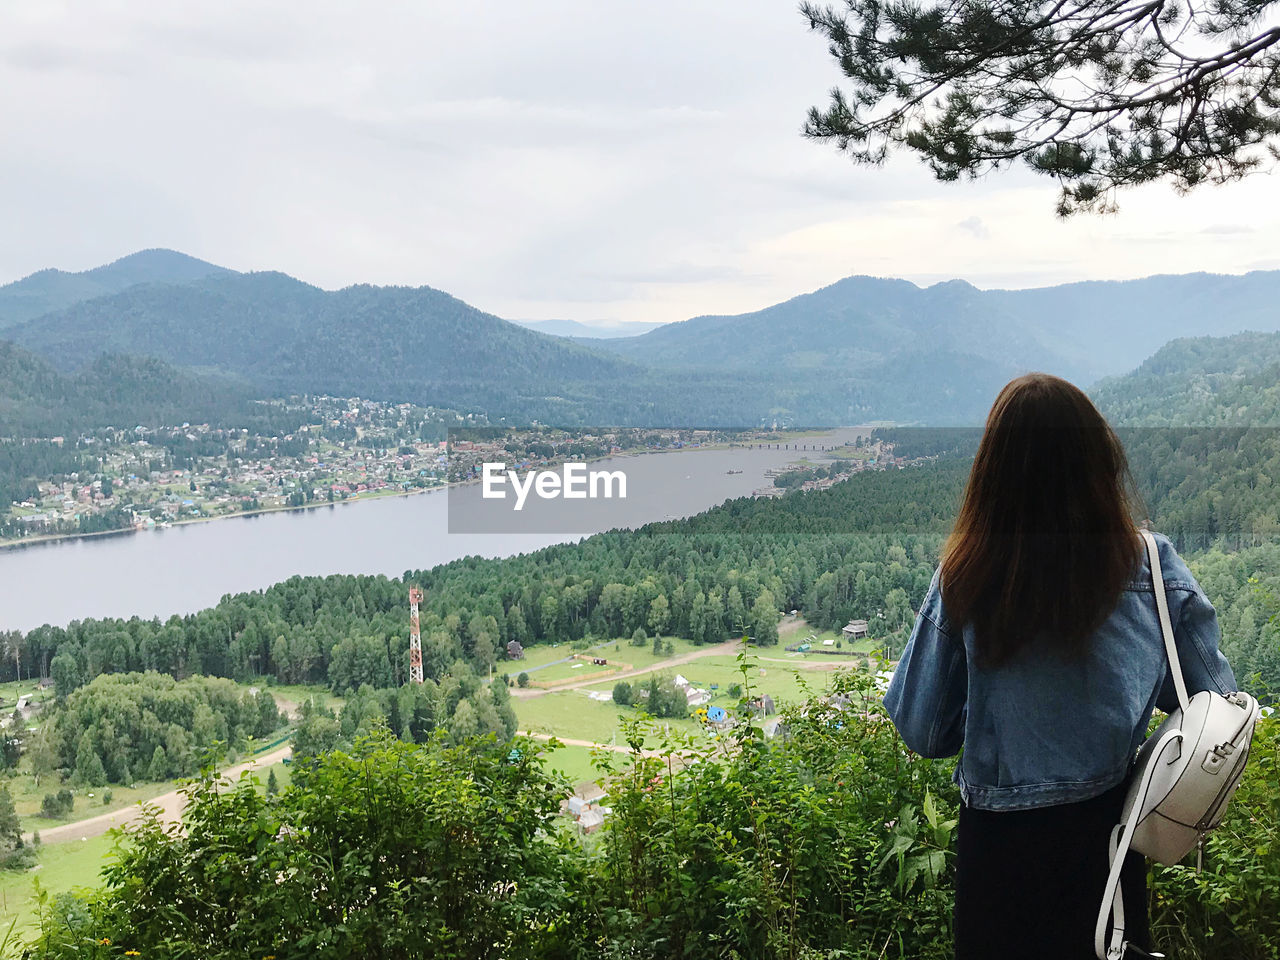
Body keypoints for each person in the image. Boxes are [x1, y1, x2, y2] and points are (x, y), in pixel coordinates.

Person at [883, 372, 1236, 960]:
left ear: (993, 472)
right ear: (1099, 460)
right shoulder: (1151, 565)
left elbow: (923, 731)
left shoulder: (965, 577)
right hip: (1108, 847)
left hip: (997, 859)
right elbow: (1215, 705)